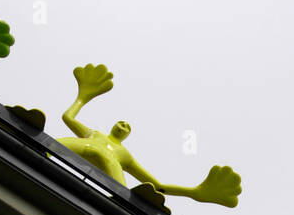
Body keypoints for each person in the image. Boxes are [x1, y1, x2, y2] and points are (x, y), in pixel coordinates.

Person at [56, 64, 241, 207]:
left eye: (127, 126)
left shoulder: (125, 156)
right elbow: (68, 117)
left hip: (111, 164)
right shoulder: (94, 133)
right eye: (121, 122)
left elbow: (158, 185)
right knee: (56, 144)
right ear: (113, 125)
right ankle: (44, 146)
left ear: (127, 135)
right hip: (84, 145)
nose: (123, 125)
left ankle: (120, 204)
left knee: (121, 192)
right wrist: (83, 97)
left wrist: (194, 192)